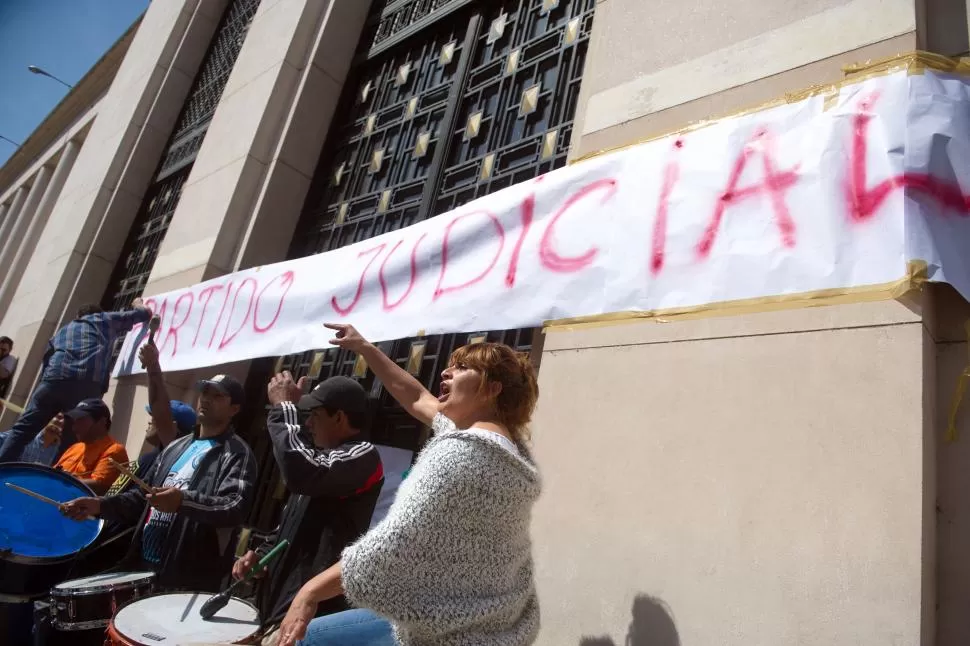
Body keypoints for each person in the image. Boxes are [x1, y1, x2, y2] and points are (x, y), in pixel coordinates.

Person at [277, 323, 542, 646]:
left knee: (307, 637)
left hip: (451, 630)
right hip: (494, 620)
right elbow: (416, 396)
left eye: (462, 368)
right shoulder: (507, 450)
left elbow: (390, 548)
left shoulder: (460, 453)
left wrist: (310, 592)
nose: (445, 372)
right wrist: (365, 347)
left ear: (492, 388)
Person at [60, 370, 258, 592]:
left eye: (218, 396)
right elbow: (141, 498)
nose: (206, 399)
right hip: (141, 570)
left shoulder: (237, 453)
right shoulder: (176, 447)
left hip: (185, 582)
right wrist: (99, 505)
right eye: (205, 392)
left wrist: (182, 501)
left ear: (235, 409)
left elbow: (234, 506)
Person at [235, 373, 384, 646]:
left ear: (339, 418)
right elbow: (291, 530)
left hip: (307, 624)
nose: (308, 423)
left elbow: (302, 471)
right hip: (275, 613)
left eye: (314, 414)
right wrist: (262, 559)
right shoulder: (321, 459)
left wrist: (284, 409)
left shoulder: (363, 455)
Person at [0, 300, 152, 463]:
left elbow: (47, 361)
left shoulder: (63, 331)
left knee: (21, 431)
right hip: (85, 385)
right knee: (71, 440)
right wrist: (137, 303)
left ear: (78, 316)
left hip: (51, 382)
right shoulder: (103, 319)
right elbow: (143, 314)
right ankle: (55, 479)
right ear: (97, 313)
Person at [53, 399, 129, 495]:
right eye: (75, 421)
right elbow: (53, 474)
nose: (74, 427)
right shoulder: (75, 447)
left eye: (81, 420)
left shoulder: (114, 450)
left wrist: (66, 480)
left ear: (102, 422)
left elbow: (99, 486)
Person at [0, 335, 18, 400]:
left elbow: (4, 374)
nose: (1, 351)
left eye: (4, 350)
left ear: (10, 349)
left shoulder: (10, 359)